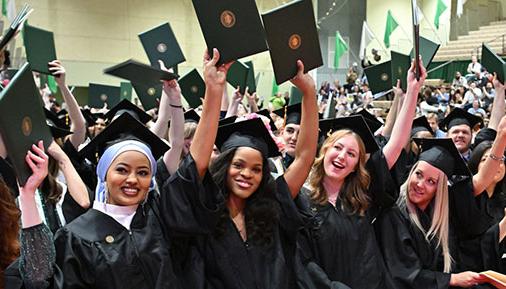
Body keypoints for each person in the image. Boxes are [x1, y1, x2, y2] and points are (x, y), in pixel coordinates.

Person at [179, 58, 318, 289]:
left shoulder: (273, 206)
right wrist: (214, 89)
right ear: (225, 166)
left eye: (256, 169)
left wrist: (309, 93)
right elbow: (195, 164)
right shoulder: (205, 209)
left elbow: (304, 157)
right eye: (238, 165)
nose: (246, 174)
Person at [297, 59, 426, 289]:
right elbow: (305, 262)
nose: (341, 157)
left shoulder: (362, 198)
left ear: (357, 164)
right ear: (324, 151)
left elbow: (395, 144)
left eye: (351, 154)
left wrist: (412, 91)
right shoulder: (303, 200)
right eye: (337, 148)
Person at [377, 125, 506, 288]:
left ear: (440, 190)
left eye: (431, 182)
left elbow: (480, 182)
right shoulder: (394, 215)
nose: (420, 184)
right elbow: (402, 273)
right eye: (418, 174)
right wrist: (452, 279)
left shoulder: (440, 215)